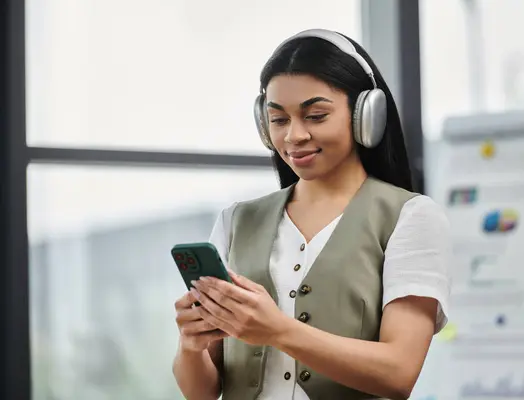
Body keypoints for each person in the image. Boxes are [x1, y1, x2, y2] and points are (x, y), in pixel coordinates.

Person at [172, 28, 451, 400]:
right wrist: (190, 346)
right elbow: (201, 393)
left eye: (316, 115)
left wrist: (277, 330)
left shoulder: (410, 217)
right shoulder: (236, 222)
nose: (294, 136)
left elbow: (399, 371)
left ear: (365, 114)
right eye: (279, 120)